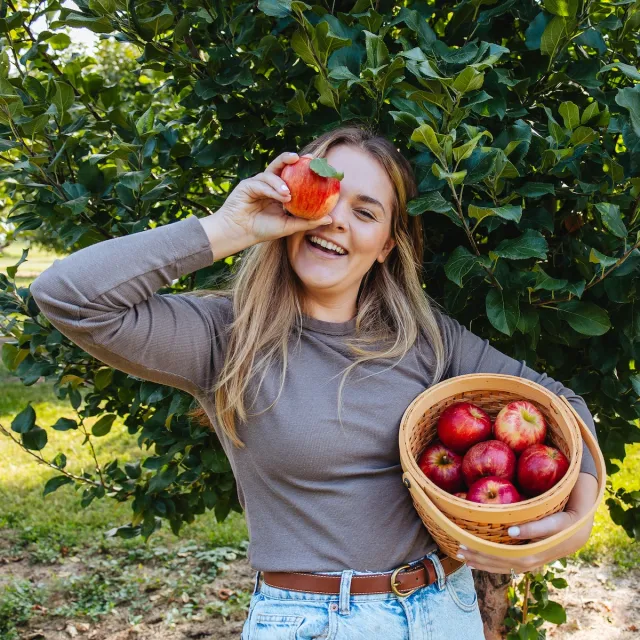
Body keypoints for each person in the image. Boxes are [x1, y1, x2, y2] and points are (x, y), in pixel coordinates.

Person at [30, 124, 600, 640]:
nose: (336, 221)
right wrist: (232, 227)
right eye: (327, 198)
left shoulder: (426, 339)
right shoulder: (225, 337)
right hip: (316, 622)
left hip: (443, 611)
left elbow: (563, 408)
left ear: (388, 248)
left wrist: (575, 520)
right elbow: (69, 296)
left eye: (366, 212)